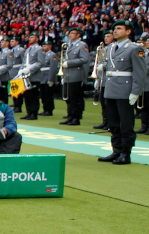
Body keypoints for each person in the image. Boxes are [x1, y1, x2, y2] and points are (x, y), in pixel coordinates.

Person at [97, 21, 146, 165]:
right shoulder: (111, 47)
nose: (115, 31)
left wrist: (135, 92)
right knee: (113, 123)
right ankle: (116, 150)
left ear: (128, 31)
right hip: (110, 88)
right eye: (114, 29)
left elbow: (140, 73)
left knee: (126, 124)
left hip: (125, 90)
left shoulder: (135, 48)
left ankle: (126, 153)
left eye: (119, 28)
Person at [60, 27, 90, 126]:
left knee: (74, 98)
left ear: (78, 35)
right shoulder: (69, 45)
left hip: (76, 74)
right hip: (68, 74)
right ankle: (70, 116)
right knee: (68, 98)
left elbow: (84, 59)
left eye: (73, 33)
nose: (70, 35)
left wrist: (69, 63)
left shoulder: (82, 45)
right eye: (69, 33)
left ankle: (76, 118)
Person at [19, 32, 43, 120]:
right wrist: (21, 70)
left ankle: (34, 113)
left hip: (34, 76)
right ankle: (28, 112)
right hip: (26, 76)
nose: (30, 38)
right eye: (30, 37)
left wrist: (30, 69)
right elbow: (24, 62)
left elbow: (41, 62)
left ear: (37, 39)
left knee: (33, 95)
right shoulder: (28, 49)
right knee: (27, 95)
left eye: (32, 37)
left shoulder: (39, 49)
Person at [93, 31, 115, 130]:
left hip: (110, 79)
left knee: (109, 104)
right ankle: (105, 121)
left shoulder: (114, 48)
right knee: (103, 102)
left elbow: (113, 63)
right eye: (105, 36)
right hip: (102, 79)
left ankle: (111, 123)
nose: (106, 38)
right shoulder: (105, 49)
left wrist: (104, 66)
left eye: (108, 36)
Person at [38, 39, 57, 117]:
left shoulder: (52, 55)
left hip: (48, 77)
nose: (43, 47)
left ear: (50, 46)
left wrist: (51, 79)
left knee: (48, 95)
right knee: (43, 95)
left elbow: (53, 68)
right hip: (42, 77)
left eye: (45, 46)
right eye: (43, 46)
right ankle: (45, 109)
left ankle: (49, 110)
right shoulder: (43, 55)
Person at [9, 37, 25, 112]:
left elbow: (23, 61)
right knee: (13, 89)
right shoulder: (11, 51)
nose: (11, 42)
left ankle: (19, 106)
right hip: (12, 72)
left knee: (18, 90)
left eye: (13, 41)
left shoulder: (21, 50)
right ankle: (15, 104)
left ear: (17, 42)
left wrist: (21, 70)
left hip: (18, 72)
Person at [0, 38, 12, 104]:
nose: (1, 43)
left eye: (3, 42)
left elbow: (9, 65)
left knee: (3, 95)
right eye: (1, 42)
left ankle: (4, 110)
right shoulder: (0, 53)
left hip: (3, 76)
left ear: (7, 43)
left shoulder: (9, 52)